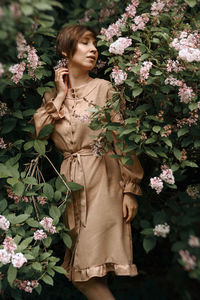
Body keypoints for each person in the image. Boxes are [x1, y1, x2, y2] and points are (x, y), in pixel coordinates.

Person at [33, 24, 144, 300]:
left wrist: (129, 189)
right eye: (84, 43)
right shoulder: (52, 97)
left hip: (103, 181)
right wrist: (59, 96)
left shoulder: (105, 89)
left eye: (94, 44)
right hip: (70, 187)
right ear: (65, 51)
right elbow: (39, 135)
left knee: (84, 272)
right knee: (78, 273)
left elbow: (122, 141)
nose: (93, 49)